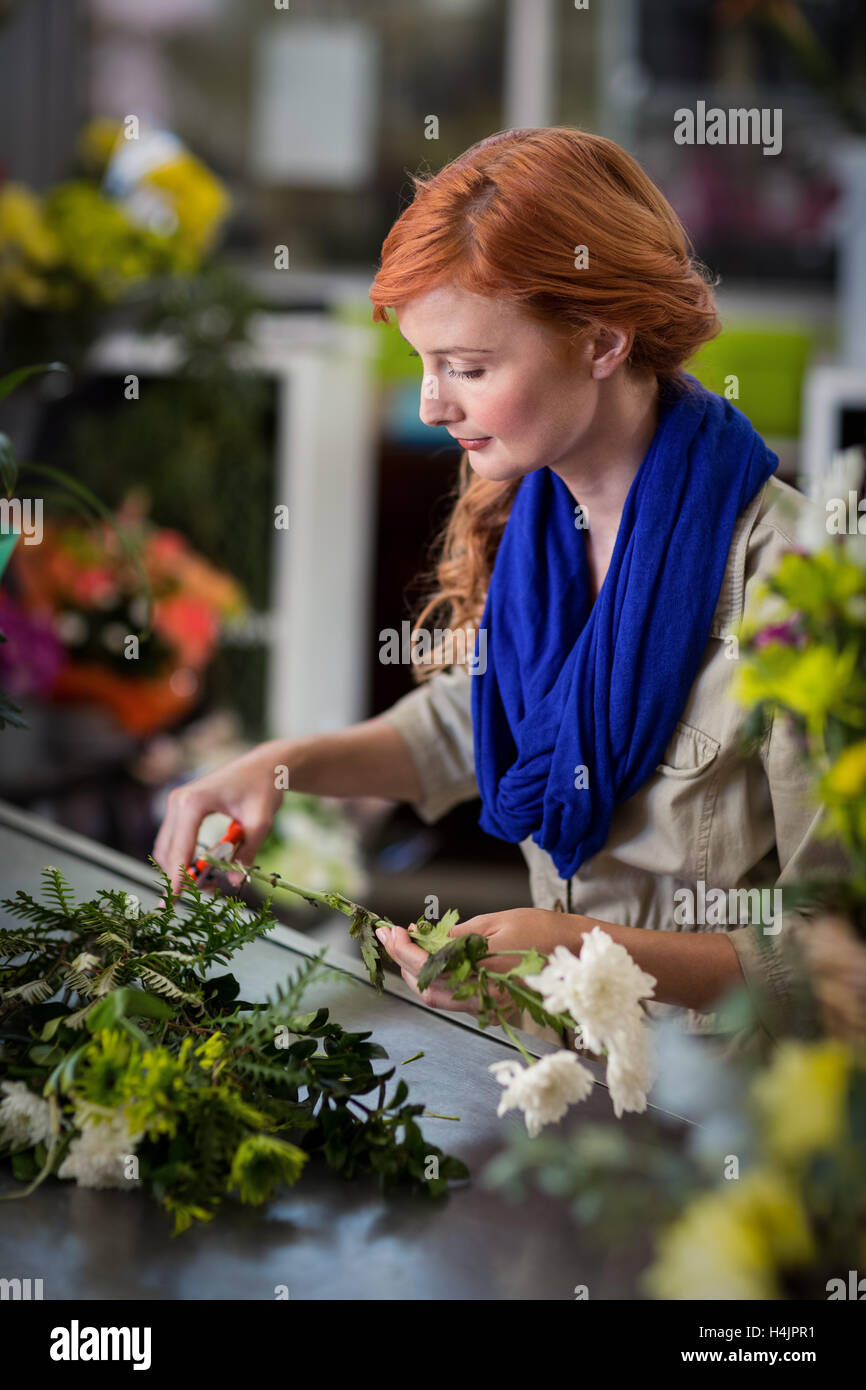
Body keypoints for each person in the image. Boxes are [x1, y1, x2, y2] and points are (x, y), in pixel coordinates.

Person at [153, 128, 848, 1052]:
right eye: (426, 365)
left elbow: (840, 960)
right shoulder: (531, 525)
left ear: (602, 339)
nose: (435, 406)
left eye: (469, 369)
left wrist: (583, 946)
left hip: (734, 1118)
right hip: (572, 1089)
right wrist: (280, 766)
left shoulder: (803, 588)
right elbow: (471, 726)